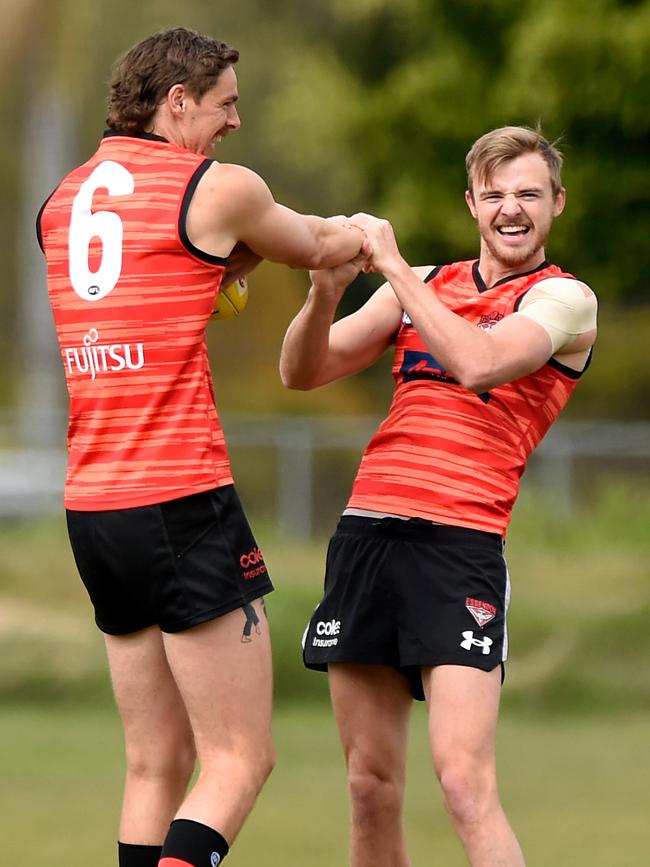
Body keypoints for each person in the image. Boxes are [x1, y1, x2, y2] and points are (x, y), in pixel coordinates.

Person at [36, 26, 367, 867]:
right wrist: (368, 233)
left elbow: (164, 278)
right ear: (175, 102)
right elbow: (320, 247)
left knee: (156, 764)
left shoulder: (61, 201)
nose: (236, 123)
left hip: (93, 504)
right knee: (239, 758)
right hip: (179, 497)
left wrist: (233, 263)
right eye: (224, 104)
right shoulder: (216, 189)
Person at [280, 125, 597, 867]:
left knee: (463, 782)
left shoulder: (564, 299)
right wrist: (325, 289)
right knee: (369, 784)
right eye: (494, 194)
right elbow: (303, 370)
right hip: (366, 536)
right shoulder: (426, 284)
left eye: (527, 193)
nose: (510, 209)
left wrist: (389, 265)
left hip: (458, 547)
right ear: (471, 203)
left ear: (556, 203)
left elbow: (482, 363)